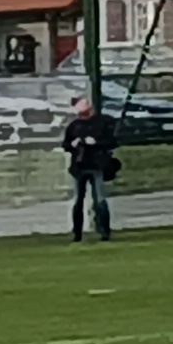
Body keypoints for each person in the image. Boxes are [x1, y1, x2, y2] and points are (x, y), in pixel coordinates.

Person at [63, 96, 120, 241]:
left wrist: (95, 143)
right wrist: (73, 144)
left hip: (96, 165)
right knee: (78, 200)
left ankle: (104, 231)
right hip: (79, 166)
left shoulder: (102, 123)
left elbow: (112, 142)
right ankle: (77, 233)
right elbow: (66, 144)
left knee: (100, 199)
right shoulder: (74, 126)